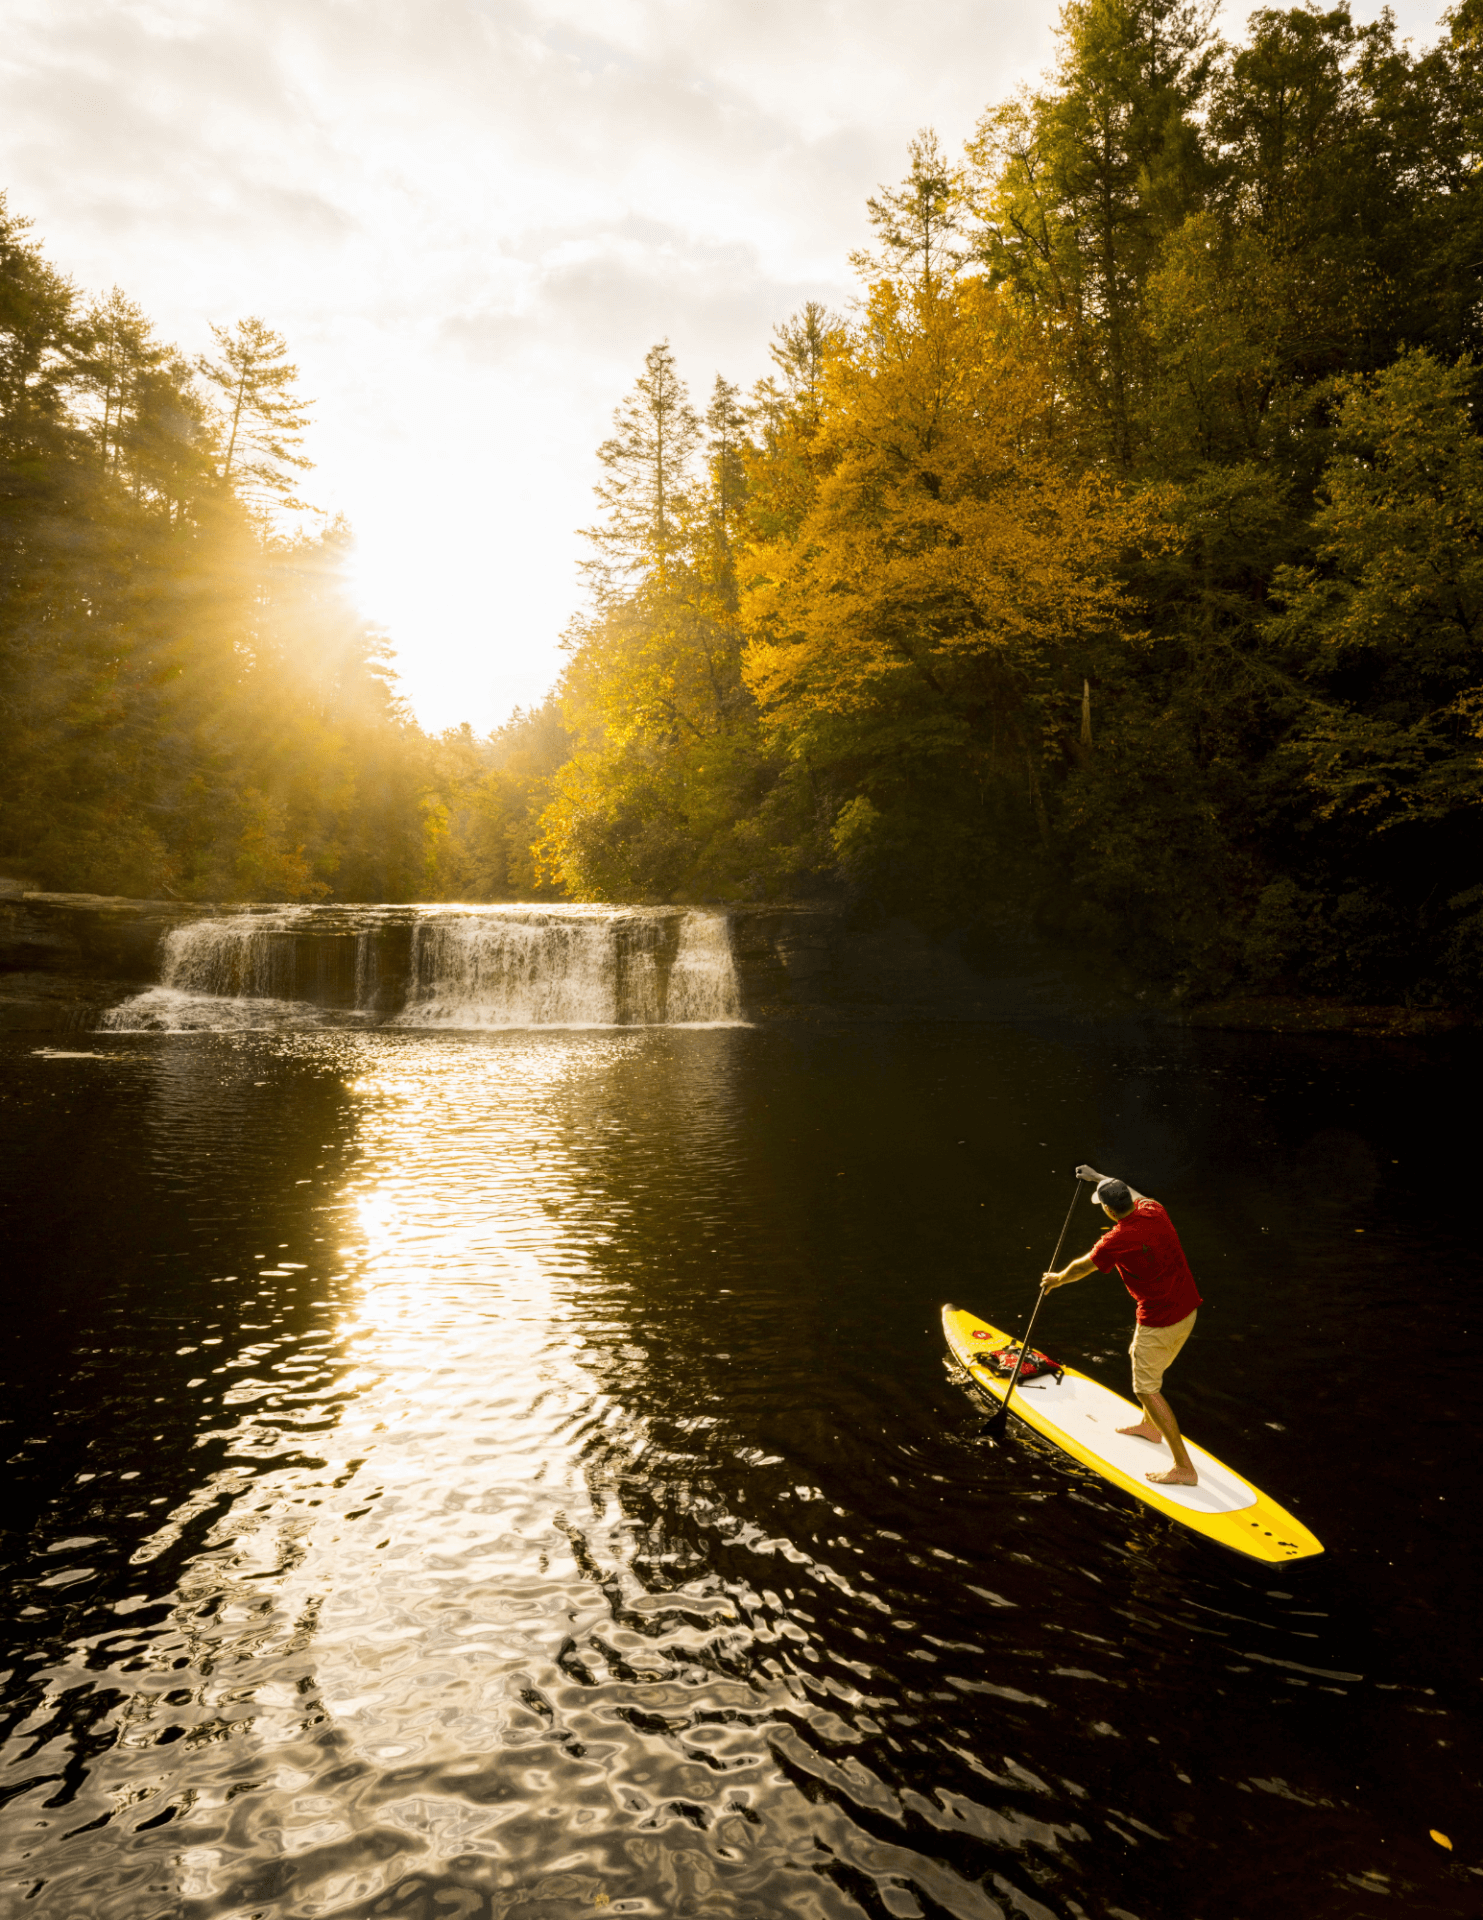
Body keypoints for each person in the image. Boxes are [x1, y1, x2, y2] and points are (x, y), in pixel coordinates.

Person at [1040, 1165, 1203, 1487]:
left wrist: (1056, 1280)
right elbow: (1134, 1192)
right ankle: (1150, 1426)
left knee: (1146, 1387)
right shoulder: (1153, 1210)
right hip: (1188, 1310)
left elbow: (1082, 1266)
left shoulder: (1117, 1239)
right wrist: (1098, 1177)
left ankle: (1184, 1467)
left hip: (1161, 1320)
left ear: (1109, 1210)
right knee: (1143, 1360)